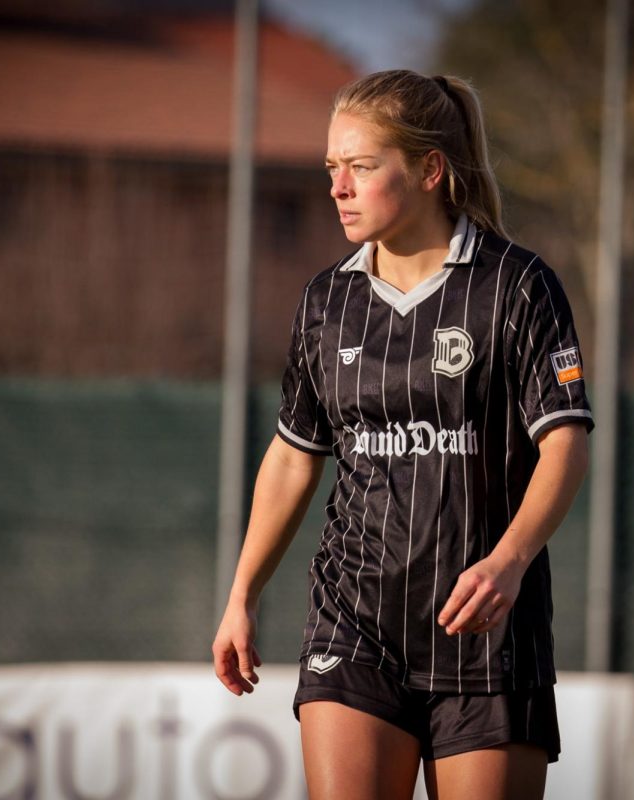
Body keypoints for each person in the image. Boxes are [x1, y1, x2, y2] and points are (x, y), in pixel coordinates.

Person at [211, 69, 592, 800]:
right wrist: (241, 594)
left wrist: (510, 562)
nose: (338, 187)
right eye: (332, 169)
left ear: (428, 170)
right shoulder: (327, 302)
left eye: (360, 166)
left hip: (485, 641)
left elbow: (565, 442)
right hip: (353, 627)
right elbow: (294, 456)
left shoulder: (517, 287)